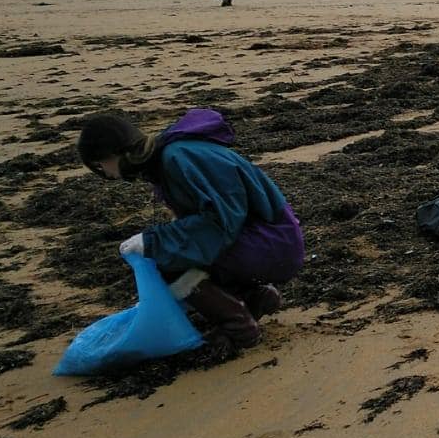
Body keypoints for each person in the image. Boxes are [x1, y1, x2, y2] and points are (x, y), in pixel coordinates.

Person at [76, 109, 303, 350]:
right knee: (174, 252)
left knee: (165, 260)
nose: (104, 171)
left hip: (274, 243)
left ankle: (239, 328)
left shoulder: (179, 157)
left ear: (115, 152)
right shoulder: (171, 158)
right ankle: (255, 298)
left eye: (101, 164)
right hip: (268, 239)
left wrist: (153, 241)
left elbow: (220, 221)